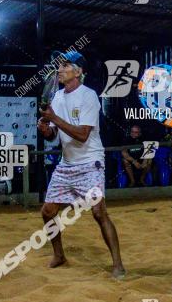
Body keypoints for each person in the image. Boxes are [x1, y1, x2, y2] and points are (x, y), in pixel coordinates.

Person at [37, 50, 126, 278]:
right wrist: (47, 130)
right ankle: (59, 255)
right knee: (47, 212)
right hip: (66, 163)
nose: (59, 69)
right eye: (60, 65)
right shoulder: (57, 97)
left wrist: (54, 119)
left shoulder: (89, 96)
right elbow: (54, 136)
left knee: (98, 212)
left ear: (78, 72)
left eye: (65, 65)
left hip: (90, 161)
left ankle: (118, 264)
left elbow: (83, 135)